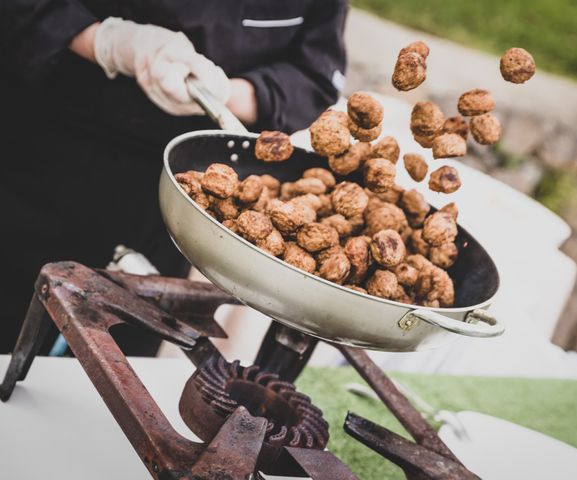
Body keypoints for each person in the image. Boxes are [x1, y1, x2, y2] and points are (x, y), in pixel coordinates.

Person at [0, 0, 347, 354]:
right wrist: (110, 42)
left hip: (181, 188)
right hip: (49, 145)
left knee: (126, 345)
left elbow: (313, 78)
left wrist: (221, 93)